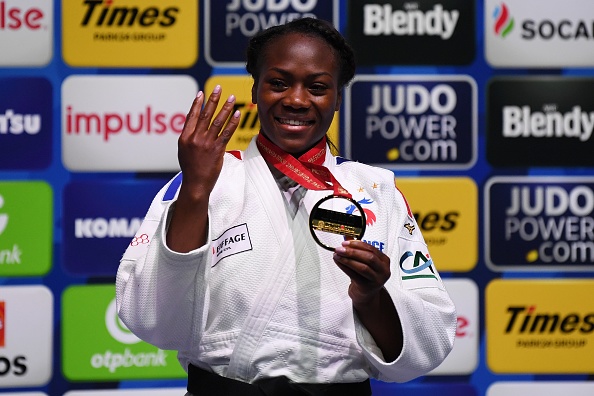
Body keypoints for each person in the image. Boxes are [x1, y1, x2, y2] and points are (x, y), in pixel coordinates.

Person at [116, 17, 456, 396]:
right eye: (278, 83)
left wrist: (372, 298)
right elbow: (151, 317)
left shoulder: (376, 190)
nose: (296, 99)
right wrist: (196, 190)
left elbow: (433, 337)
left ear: (338, 98)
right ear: (256, 90)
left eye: (317, 87)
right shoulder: (208, 177)